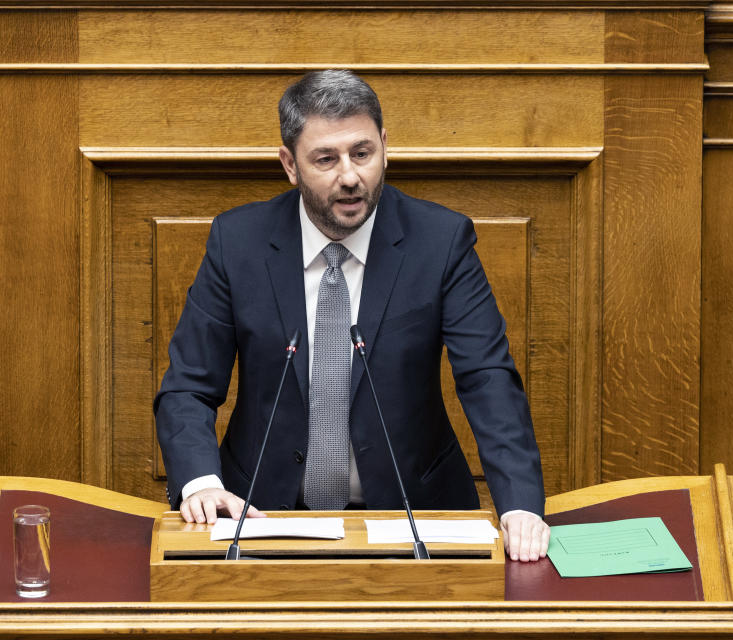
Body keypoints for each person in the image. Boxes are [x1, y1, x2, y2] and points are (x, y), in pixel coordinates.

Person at [154, 70, 550, 561]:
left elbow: (487, 378)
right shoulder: (238, 242)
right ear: (290, 165)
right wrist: (201, 482)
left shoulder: (441, 241)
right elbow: (189, 386)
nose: (350, 176)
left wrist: (520, 504)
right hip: (257, 514)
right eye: (326, 159)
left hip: (411, 516)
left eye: (362, 153)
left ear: (384, 145)